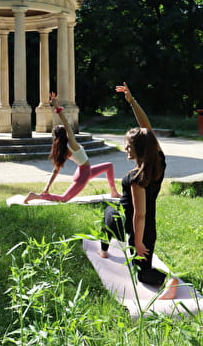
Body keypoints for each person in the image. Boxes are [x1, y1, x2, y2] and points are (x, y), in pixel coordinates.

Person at [98, 82, 178, 300]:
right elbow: (147, 128)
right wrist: (132, 101)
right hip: (149, 227)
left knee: (108, 214)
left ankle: (104, 249)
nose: (125, 149)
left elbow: (138, 214)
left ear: (140, 150)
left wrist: (138, 242)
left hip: (132, 224)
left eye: (129, 146)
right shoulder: (159, 162)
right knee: (143, 271)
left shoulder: (136, 178)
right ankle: (105, 248)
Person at [24, 93, 121, 203]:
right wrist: (56, 106)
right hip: (83, 174)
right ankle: (35, 196)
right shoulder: (72, 144)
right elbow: (66, 124)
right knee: (64, 199)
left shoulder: (62, 149)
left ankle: (114, 192)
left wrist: (47, 188)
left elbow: (55, 171)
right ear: (65, 133)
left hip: (83, 171)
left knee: (109, 166)